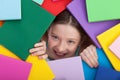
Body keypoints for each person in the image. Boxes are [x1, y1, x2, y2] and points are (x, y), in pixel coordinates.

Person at [29, 10, 98, 68]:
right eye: (55, 37)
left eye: (70, 41)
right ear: (48, 30)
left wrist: (98, 53)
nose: (60, 48)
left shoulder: (84, 56)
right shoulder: (35, 43)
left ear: (81, 41)